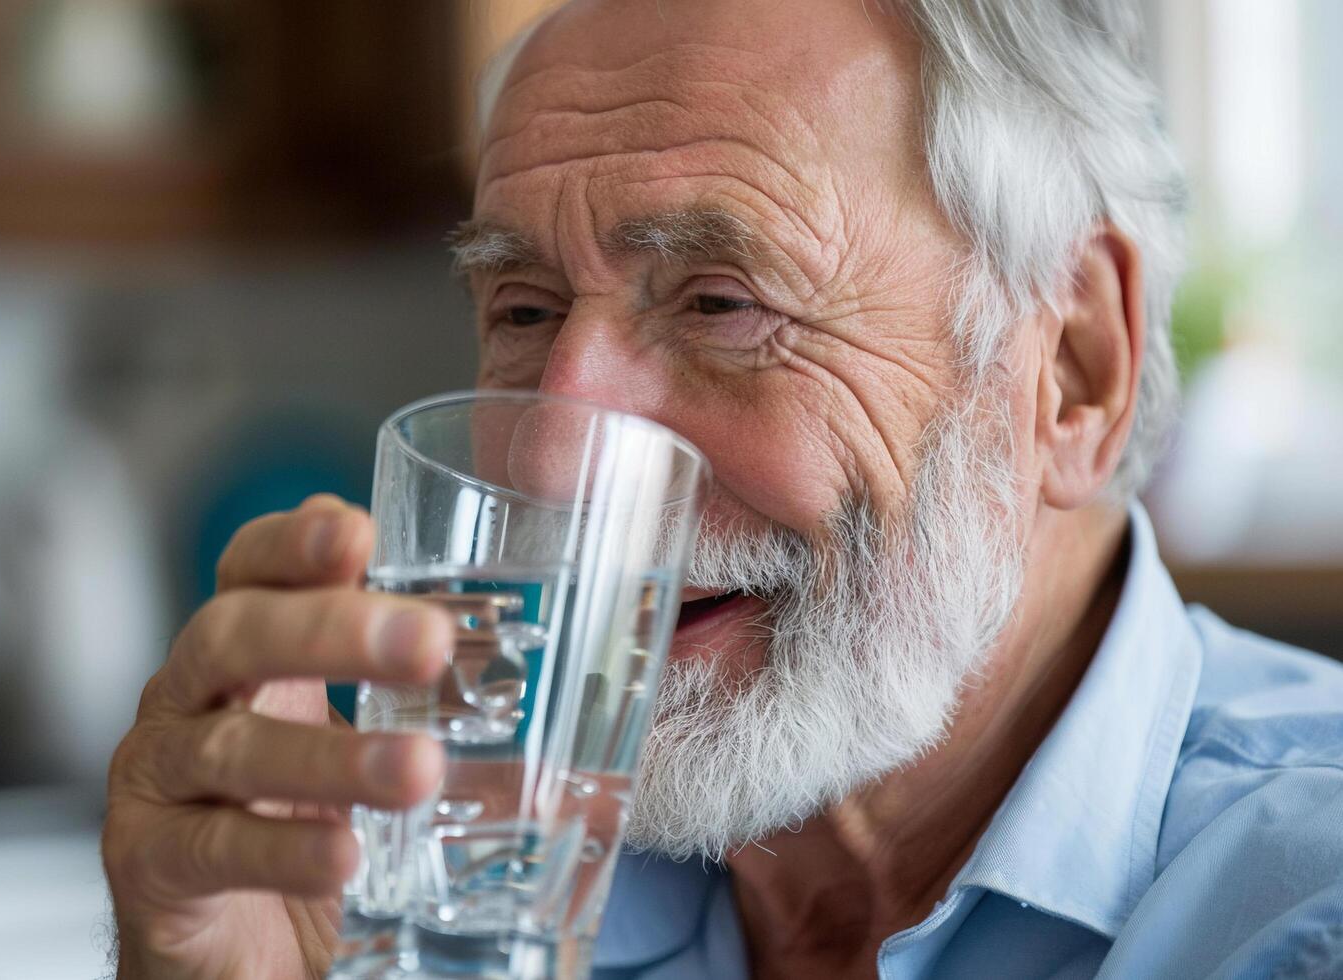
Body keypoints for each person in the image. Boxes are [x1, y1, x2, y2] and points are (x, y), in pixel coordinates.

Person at [102, 1, 1343, 977]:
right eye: (524, 310)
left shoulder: (1301, 915)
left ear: (1073, 370)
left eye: (724, 304)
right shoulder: (455, 878)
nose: (552, 461)